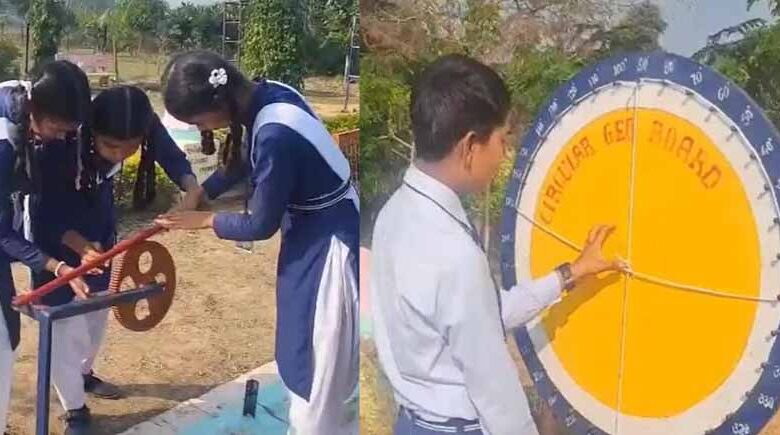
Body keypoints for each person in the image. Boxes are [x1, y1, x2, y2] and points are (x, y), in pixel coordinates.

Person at [369, 54, 627, 435]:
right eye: (502, 140)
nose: (504, 155)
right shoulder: (453, 253)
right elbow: (496, 395)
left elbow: (481, 314)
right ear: (470, 146)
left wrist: (570, 273)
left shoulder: (393, 214)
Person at [155, 51, 359, 435]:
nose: (203, 129)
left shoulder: (274, 133)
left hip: (328, 243)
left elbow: (261, 224)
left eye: (198, 122)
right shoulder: (267, 93)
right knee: (301, 343)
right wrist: (203, 191)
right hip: (313, 231)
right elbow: (247, 162)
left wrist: (204, 220)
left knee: (316, 363)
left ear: (218, 103)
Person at [28, 85, 199, 435]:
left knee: (95, 318)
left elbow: (166, 149)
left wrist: (191, 186)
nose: (120, 155)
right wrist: (79, 247)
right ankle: (75, 408)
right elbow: (43, 215)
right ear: (90, 130)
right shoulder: (60, 142)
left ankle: (84, 373)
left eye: (131, 146)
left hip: (100, 233)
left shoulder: (138, 124)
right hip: (56, 247)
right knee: (64, 332)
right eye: (110, 146)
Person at [0, 61, 92, 435]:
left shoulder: (23, 98)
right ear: (35, 110)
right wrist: (56, 266)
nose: (59, 137)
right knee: (2, 347)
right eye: (56, 128)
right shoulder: (3, 144)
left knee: (7, 339)